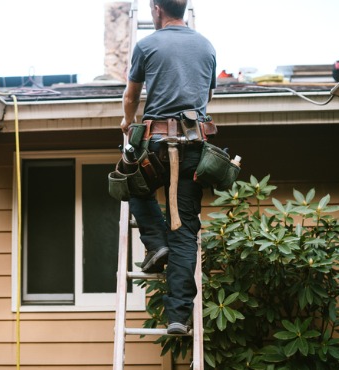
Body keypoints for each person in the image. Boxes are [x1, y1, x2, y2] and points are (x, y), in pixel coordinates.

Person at [120, 0, 216, 335]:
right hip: (193, 148)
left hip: (157, 145)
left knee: (131, 184)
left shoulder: (147, 44)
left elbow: (131, 97)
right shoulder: (206, 45)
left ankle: (155, 240)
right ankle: (178, 317)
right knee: (186, 230)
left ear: (156, 8)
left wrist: (127, 122)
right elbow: (206, 98)